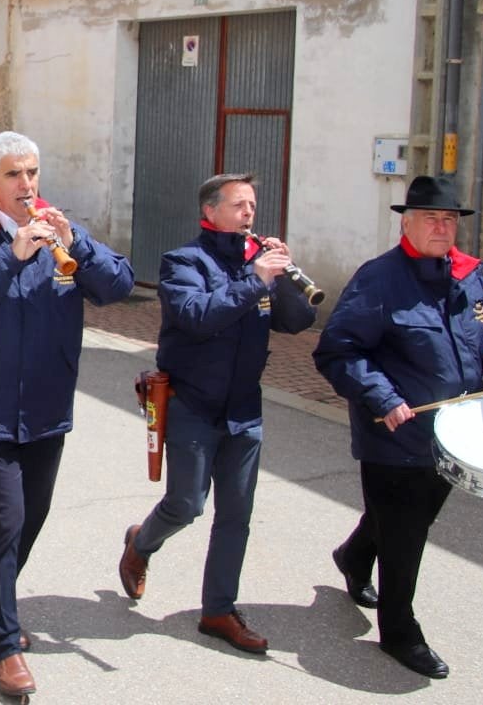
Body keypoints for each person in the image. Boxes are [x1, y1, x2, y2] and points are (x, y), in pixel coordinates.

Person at [0, 131, 133, 699]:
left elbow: (118, 285)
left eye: (33, 173)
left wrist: (78, 246)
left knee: (32, 516)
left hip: (45, 404)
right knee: (5, 520)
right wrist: (8, 255)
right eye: (15, 175)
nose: (28, 185)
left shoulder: (60, 231)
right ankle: (4, 642)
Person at [313, 175, 483, 680]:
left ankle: (354, 557)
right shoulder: (379, 279)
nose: (442, 228)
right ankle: (399, 633)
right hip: (394, 433)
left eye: (449, 220)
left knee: (410, 519)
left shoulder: (470, 277)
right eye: (431, 219)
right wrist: (384, 398)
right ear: (408, 223)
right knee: (406, 537)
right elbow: (337, 351)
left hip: (456, 434)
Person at [117, 174, 317, 656]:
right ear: (210, 212)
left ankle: (218, 611)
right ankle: (142, 542)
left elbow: (297, 322)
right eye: (239, 205)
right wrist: (256, 279)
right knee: (187, 504)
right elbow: (198, 315)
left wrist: (286, 277)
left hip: (245, 409)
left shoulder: (259, 263)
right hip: (192, 404)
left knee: (236, 515)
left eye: (253, 204)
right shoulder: (183, 262)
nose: (250, 213)